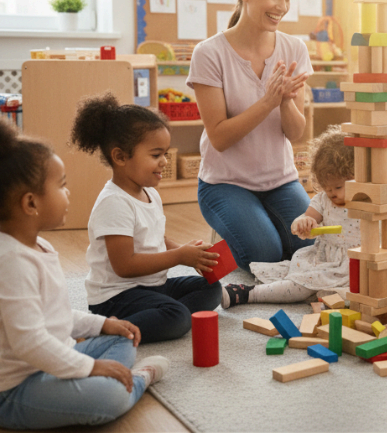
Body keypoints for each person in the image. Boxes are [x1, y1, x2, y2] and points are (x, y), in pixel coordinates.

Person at [0, 120, 168, 430]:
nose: (68, 192)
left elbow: (56, 315)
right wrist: (90, 367)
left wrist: (103, 323)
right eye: (61, 185)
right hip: (15, 389)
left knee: (124, 337)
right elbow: (29, 343)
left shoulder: (38, 245)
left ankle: (116, 376)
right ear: (31, 202)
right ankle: (137, 381)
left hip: (57, 355)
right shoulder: (9, 261)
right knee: (110, 399)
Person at [187, 0, 312, 271]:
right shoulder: (209, 53)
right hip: (225, 183)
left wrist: (285, 101)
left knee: (312, 245)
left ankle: (258, 223)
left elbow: (298, 135)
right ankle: (236, 226)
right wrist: (268, 101)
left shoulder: (294, 48)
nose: (282, 7)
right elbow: (219, 137)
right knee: (266, 254)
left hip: (280, 180)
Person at [71, 93, 222, 344]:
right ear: (120, 157)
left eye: (165, 153)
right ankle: (104, 331)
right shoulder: (114, 202)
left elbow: (155, 237)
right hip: (116, 297)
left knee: (210, 289)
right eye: (155, 155)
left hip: (151, 286)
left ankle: (157, 313)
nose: (164, 161)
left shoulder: (149, 192)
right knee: (178, 317)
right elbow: (125, 265)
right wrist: (179, 257)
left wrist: (187, 251)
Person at [222, 126, 361, 306]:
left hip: (359, 265)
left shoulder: (369, 201)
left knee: (368, 293)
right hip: (328, 263)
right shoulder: (324, 201)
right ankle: (248, 293)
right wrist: (303, 222)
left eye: (338, 187)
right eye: (327, 188)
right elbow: (303, 218)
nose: (332, 193)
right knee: (298, 288)